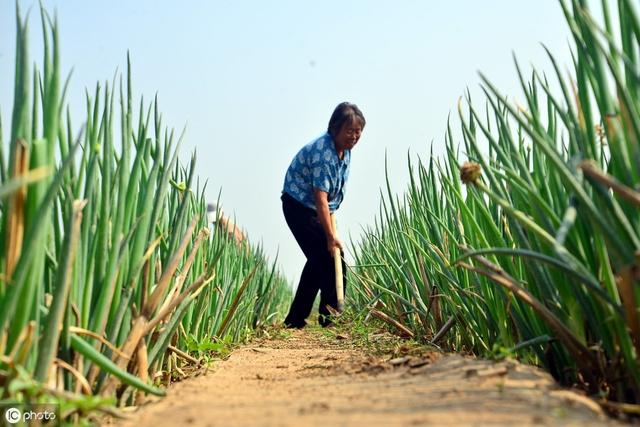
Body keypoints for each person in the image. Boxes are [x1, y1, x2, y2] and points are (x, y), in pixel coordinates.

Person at [281, 102, 365, 328]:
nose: (354, 136)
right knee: (327, 259)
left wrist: (330, 227)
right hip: (298, 205)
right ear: (334, 128)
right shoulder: (323, 152)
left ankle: (296, 319)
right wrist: (330, 237)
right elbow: (320, 196)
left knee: (318, 261)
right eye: (349, 131)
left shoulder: (345, 151)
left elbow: (330, 196)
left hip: (319, 209)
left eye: (358, 131)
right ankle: (330, 318)